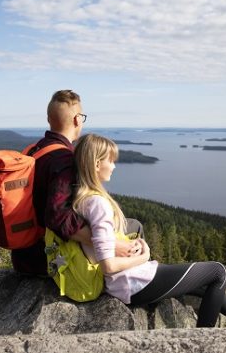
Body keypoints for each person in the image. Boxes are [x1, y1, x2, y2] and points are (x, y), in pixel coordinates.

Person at [72, 133, 226, 327]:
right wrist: (143, 257)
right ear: (97, 164)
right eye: (111, 160)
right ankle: (202, 341)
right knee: (218, 272)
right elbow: (108, 266)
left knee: (202, 285)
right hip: (132, 284)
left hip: (128, 281)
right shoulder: (98, 203)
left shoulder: (83, 199)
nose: (114, 166)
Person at [11, 90, 143, 275]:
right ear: (77, 120)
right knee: (135, 227)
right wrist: (113, 244)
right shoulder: (64, 160)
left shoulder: (33, 150)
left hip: (24, 256)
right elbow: (57, 217)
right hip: (48, 259)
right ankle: (131, 287)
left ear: (49, 119)